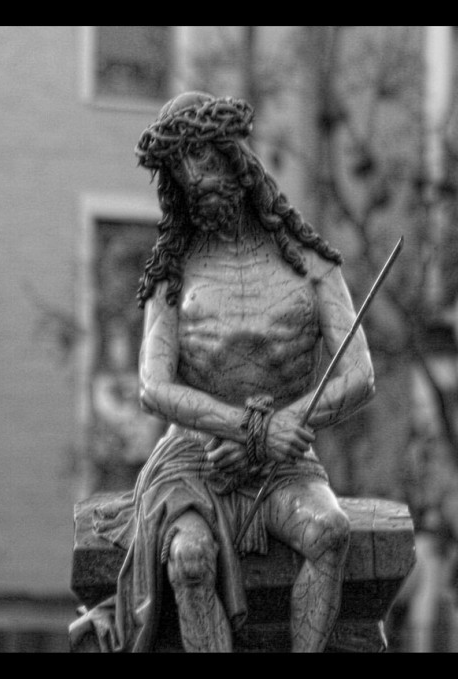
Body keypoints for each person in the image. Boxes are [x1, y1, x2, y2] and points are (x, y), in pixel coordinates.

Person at [80, 91, 375, 653]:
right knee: (188, 560)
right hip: (194, 462)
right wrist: (252, 430)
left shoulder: (313, 264)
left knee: (331, 533)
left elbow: (360, 374)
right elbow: (153, 388)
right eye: (182, 165)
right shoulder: (172, 274)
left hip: (287, 465)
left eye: (205, 155)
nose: (196, 174)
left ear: (235, 155)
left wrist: (278, 433)